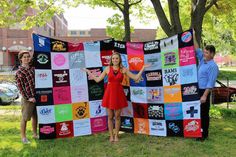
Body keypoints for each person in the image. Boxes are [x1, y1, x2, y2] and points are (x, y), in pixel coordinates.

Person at [85, 52, 149, 142]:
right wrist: (89, 72)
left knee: (118, 117)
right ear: (111, 60)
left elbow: (135, 77)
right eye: (113, 58)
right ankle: (111, 136)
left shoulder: (123, 70)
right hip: (109, 94)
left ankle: (116, 136)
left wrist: (143, 68)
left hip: (119, 94)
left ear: (119, 60)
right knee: (110, 117)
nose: (115, 60)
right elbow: (97, 79)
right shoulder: (107, 69)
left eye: (117, 58)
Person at [193, 31, 219, 141]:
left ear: (212, 54)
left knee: (204, 113)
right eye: (204, 52)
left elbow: (210, 83)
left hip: (204, 91)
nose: (204, 54)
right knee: (197, 112)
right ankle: (198, 131)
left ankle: (204, 135)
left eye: (207, 53)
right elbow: (197, 49)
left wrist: (204, 96)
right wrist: (193, 35)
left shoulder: (213, 66)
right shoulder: (203, 61)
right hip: (197, 89)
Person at [15, 50, 38, 144]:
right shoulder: (19, 72)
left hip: (36, 97)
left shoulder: (32, 68)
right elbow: (20, 88)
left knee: (35, 117)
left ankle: (35, 134)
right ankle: (23, 137)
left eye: (28, 57)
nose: (26, 58)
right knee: (25, 118)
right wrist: (28, 97)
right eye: (24, 57)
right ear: (21, 59)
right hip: (28, 99)